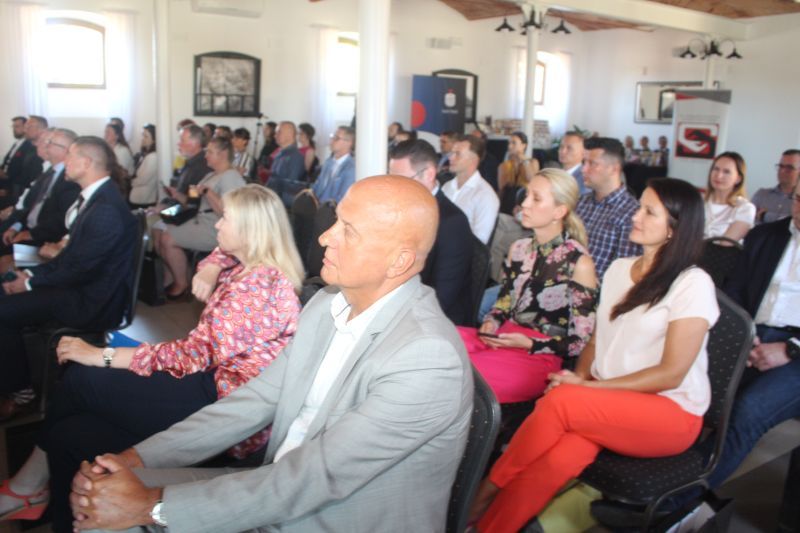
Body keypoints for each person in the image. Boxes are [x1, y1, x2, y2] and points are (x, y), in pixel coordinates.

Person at [67, 176, 473, 533]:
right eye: (335, 221)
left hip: (331, 518)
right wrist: (136, 458)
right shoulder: (327, 304)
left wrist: (150, 506)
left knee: (113, 518)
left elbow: (316, 476)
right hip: (278, 488)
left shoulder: (425, 358)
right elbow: (256, 399)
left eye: (348, 231)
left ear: (399, 261)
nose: (325, 237)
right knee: (100, 501)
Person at [0, 184, 304, 531]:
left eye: (226, 219)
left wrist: (105, 355)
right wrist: (210, 267)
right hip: (211, 384)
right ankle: (51, 505)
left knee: (82, 377)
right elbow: (219, 254)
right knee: (70, 434)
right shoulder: (247, 264)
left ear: (251, 230)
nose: (218, 225)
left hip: (226, 409)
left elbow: (191, 355)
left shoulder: (259, 288)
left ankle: (30, 486)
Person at [469, 177, 719, 532]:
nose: (635, 216)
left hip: (670, 411)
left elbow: (671, 374)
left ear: (674, 229)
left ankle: (484, 492)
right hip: (609, 401)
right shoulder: (619, 270)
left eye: (649, 212)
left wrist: (586, 388)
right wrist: (580, 376)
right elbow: (596, 341)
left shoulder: (692, 283)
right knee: (555, 461)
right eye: (639, 207)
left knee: (560, 401)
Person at [0, 136, 137, 419]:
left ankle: (22, 392)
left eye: (71, 156)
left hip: (91, 301)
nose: (65, 162)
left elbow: (79, 269)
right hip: (80, 287)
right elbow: (73, 260)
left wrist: (29, 282)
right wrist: (31, 275)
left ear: (86, 163)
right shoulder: (96, 197)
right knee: (6, 290)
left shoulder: (106, 208)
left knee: (3, 311)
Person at [459, 169, 598, 403]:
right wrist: (492, 322)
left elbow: (580, 342)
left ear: (559, 211)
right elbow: (503, 304)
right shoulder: (519, 248)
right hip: (503, 338)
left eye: (536, 198)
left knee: (460, 374)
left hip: (538, 355)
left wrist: (531, 343)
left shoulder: (579, 263)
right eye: (526, 195)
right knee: (439, 346)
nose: (524, 204)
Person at [707, 178, 800, 491]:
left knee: (748, 411)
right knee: (696, 393)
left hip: (796, 351)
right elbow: (734, 293)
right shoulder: (765, 236)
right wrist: (743, 335)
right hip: (752, 335)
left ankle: (675, 501)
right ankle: (662, 477)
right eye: (799, 199)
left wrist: (790, 349)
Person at [389, 139, 473, 324]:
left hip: (435, 320)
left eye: (402, 180)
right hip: (400, 304)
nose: (395, 188)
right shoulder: (400, 208)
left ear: (429, 174)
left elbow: (442, 296)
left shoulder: (452, 222)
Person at [154, 137, 246, 299]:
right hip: (199, 219)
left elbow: (229, 212)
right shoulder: (210, 175)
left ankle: (181, 283)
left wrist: (207, 192)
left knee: (168, 239)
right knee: (158, 230)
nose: (205, 156)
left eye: (210, 152)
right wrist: (177, 195)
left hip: (215, 226)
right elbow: (193, 203)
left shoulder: (231, 177)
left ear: (223, 154)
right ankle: (171, 277)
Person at [0, 128, 80, 269]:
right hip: (27, 230)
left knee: (4, 263)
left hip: (45, 241)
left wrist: (30, 234)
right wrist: (16, 226)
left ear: (65, 151)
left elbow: (62, 219)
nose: (45, 144)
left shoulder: (70, 179)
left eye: (51, 142)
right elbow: (29, 204)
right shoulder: (50, 171)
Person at [576, 137, 642, 279]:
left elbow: (622, 274)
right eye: (584, 162)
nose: (583, 169)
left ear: (614, 168)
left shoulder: (631, 214)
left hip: (598, 289)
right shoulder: (580, 203)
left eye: (592, 163)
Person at [442, 136, 500, 244]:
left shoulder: (485, 196)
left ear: (474, 159)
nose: (450, 158)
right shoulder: (446, 187)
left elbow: (480, 243)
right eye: (452, 153)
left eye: (458, 154)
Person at [703, 151, 755, 243]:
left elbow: (726, 244)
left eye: (726, 172)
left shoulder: (745, 208)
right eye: (716, 169)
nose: (719, 176)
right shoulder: (699, 202)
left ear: (738, 179)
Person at [0, 115, 46, 205]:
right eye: (25, 127)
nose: (25, 130)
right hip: (13, 187)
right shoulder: (28, 148)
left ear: (42, 130)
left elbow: (28, 179)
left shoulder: (38, 151)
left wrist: (7, 190)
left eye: (29, 127)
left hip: (18, 192)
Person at [163, 125, 212, 205]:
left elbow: (194, 201)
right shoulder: (190, 162)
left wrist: (177, 195)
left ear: (195, 143)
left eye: (182, 140)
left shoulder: (201, 167)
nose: (178, 143)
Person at [752, 149, 800, 224]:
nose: (782, 171)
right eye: (781, 166)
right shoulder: (761, 195)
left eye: (789, 168)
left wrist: (765, 215)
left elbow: (795, 223)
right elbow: (747, 221)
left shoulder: (798, 201)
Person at [498, 131, 539, 214]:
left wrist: (524, 160)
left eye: (514, 143)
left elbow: (532, 180)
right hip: (507, 205)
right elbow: (501, 189)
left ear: (524, 145)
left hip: (524, 203)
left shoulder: (533, 162)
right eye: (509, 143)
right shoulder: (504, 165)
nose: (510, 146)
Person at [266, 121, 305, 207]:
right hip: (272, 197)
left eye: (279, 132)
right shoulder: (280, 153)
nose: (275, 135)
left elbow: (290, 186)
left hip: (281, 204)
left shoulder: (295, 157)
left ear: (289, 134)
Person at [312, 126, 355, 204]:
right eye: (332, 137)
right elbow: (317, 186)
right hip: (316, 206)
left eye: (336, 138)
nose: (331, 141)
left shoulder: (351, 168)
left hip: (331, 209)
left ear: (349, 143)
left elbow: (342, 199)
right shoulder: (328, 162)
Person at [129, 124, 158, 208]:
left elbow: (143, 180)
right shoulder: (145, 154)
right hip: (138, 197)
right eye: (143, 135)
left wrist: (130, 182)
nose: (143, 139)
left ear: (154, 140)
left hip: (144, 199)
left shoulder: (153, 157)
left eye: (146, 136)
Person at [559, 131, 587, 195]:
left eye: (569, 148)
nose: (563, 151)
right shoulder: (555, 173)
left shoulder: (584, 180)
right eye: (561, 146)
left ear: (583, 153)